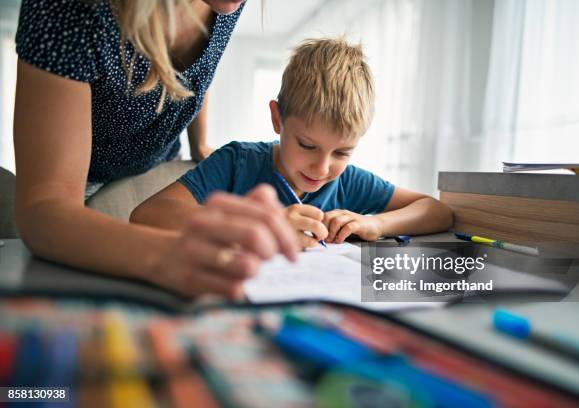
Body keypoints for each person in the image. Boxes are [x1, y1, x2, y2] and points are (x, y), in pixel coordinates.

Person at [13, 0, 299, 300]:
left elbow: (201, 69)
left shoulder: (226, 6)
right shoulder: (68, 9)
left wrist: (199, 141)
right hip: (80, 182)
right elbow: (44, 207)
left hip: (156, 159)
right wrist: (165, 257)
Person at [130, 38, 453, 248]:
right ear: (277, 119)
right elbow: (149, 214)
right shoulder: (238, 162)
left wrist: (376, 223)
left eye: (342, 152)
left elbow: (435, 210)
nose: (323, 167)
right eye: (308, 146)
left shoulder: (348, 181)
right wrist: (256, 225)